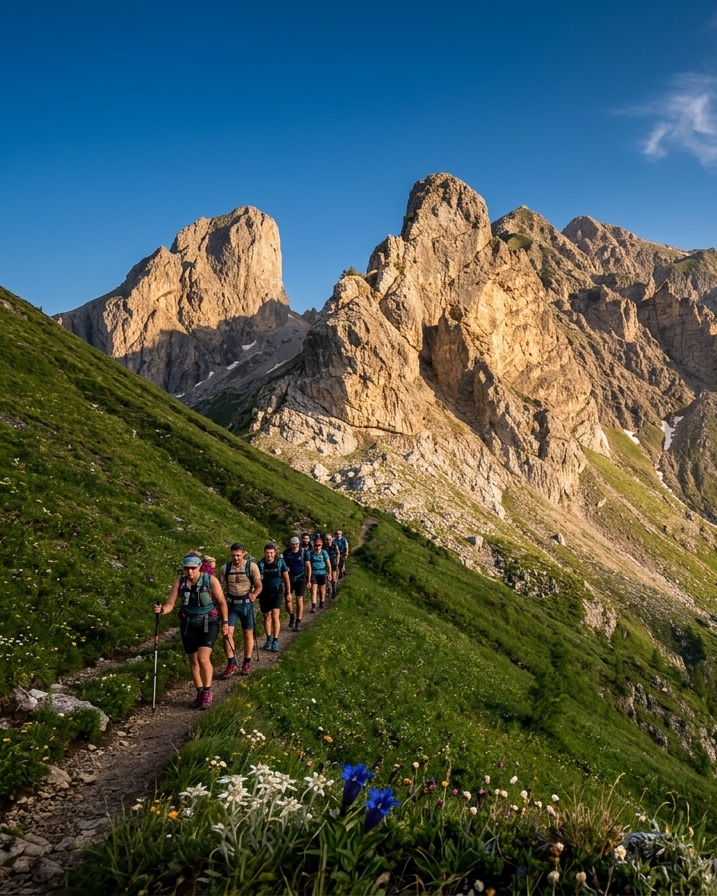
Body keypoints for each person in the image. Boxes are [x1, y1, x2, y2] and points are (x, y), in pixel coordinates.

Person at [154, 552, 229, 710]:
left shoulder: (210, 580)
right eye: (186, 568)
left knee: (202, 658)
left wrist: (226, 623)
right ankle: (199, 692)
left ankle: (207, 692)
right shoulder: (179, 583)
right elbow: (170, 604)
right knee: (193, 660)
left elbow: (222, 602)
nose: (190, 571)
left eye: (193, 568)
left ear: (200, 567)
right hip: (188, 624)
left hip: (209, 623)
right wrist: (161, 610)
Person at [217, 543, 262, 677]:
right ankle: (232, 662)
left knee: (248, 633)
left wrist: (254, 595)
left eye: (238, 555)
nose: (236, 558)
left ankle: (246, 662)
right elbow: (220, 588)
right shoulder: (225, 568)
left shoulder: (252, 567)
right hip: (231, 606)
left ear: (244, 553)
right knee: (226, 633)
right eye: (233, 555)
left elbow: (259, 586)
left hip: (246, 604)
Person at [258, 543, 291, 652]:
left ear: (275, 553)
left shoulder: (280, 562)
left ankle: (275, 640)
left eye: (271, 553)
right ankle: (268, 638)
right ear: (264, 553)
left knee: (275, 614)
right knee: (266, 615)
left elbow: (286, 578)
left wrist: (288, 592)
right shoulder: (261, 564)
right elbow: (257, 579)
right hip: (265, 592)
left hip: (277, 591)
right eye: (267, 553)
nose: (269, 555)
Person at [282, 536, 311, 632]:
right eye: (293, 544)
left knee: (299, 600)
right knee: (287, 599)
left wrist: (309, 579)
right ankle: (291, 615)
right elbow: (283, 565)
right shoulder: (286, 553)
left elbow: (308, 566)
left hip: (301, 578)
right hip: (290, 579)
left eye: (296, 544)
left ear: (299, 544)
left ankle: (298, 621)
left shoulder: (303, 552)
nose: (295, 546)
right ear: (290, 544)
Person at [308, 538, 331, 611]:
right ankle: (313, 606)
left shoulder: (324, 552)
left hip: (323, 573)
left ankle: (322, 601)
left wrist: (329, 574)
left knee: (322, 589)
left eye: (319, 545)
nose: (317, 547)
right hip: (314, 573)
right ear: (314, 546)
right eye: (316, 545)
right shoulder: (311, 553)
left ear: (321, 545)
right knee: (314, 589)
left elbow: (328, 564)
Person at [324, 532, 340, 600]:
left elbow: (338, 553)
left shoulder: (334, 545)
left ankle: (334, 590)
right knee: (327, 579)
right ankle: (328, 590)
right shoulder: (323, 547)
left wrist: (337, 562)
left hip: (333, 563)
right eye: (327, 539)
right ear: (325, 540)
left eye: (330, 539)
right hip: (326, 565)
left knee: (334, 579)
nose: (328, 541)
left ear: (332, 539)